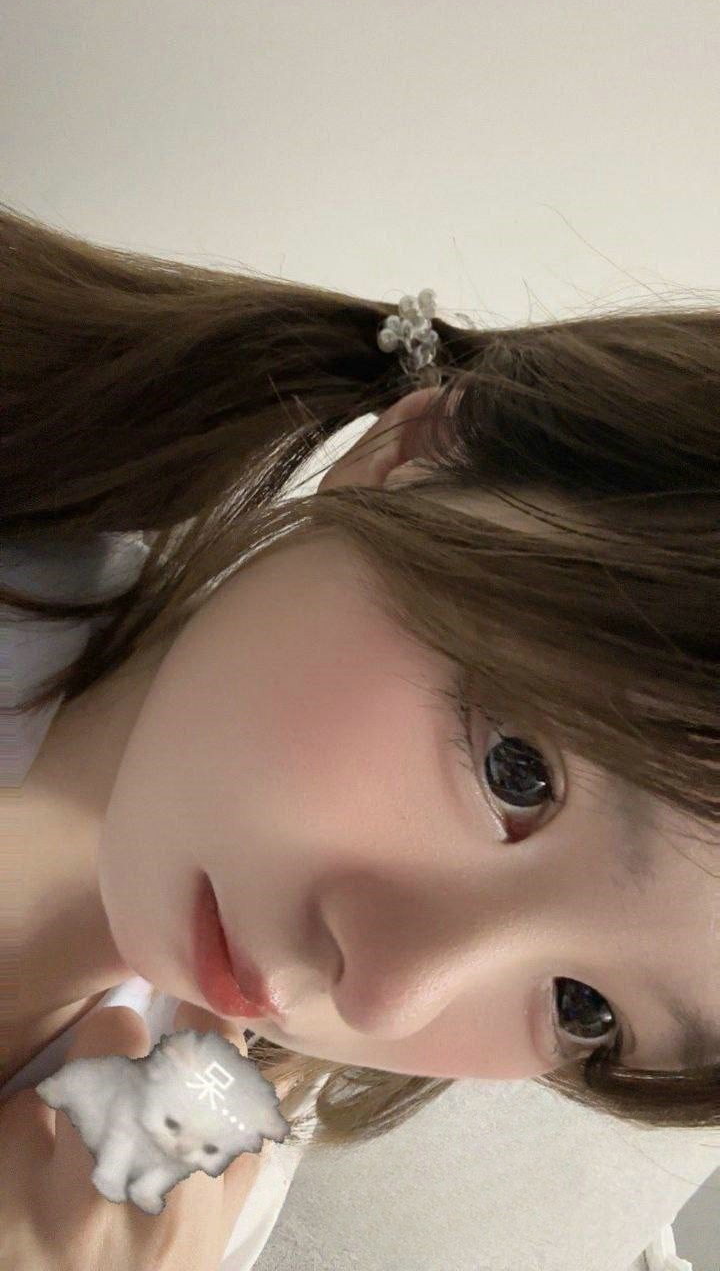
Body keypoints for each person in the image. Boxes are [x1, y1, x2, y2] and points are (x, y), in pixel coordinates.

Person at [1, 203, 718, 1268]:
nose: (385, 993)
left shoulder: (188, 1190)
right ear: (412, 460)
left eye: (586, 1012)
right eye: (517, 773)